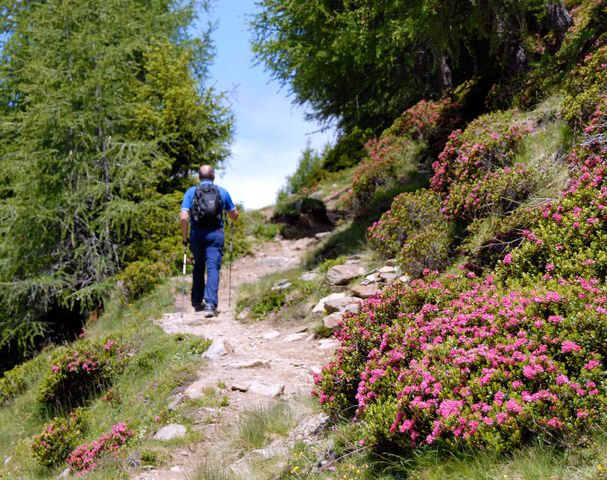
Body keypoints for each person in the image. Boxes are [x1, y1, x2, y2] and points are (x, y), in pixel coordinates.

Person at [180, 165, 238, 317]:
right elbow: (234, 215)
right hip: (215, 233)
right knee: (213, 268)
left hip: (196, 234)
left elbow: (184, 217)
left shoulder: (191, 192)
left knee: (198, 266)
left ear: (199, 177)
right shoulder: (222, 192)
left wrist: (185, 238)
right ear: (214, 177)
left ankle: (197, 302)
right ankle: (210, 305)